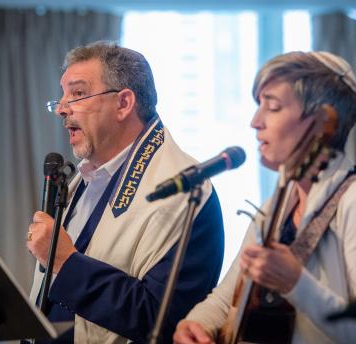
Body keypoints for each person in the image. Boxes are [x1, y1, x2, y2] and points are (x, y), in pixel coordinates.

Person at [173, 51, 356, 344]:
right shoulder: (272, 211)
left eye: (272, 106)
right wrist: (196, 322)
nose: (255, 121)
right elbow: (228, 298)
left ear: (322, 119)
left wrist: (296, 283)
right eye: (258, 105)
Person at [26, 41, 225, 343]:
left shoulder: (183, 191)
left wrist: (66, 263)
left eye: (78, 93)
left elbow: (160, 319)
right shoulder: (83, 180)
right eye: (63, 96)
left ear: (123, 103)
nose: (62, 109)